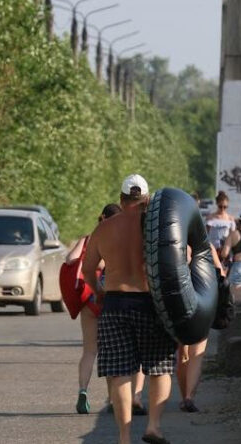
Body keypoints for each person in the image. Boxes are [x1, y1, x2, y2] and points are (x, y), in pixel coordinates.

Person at [82, 174, 176, 444]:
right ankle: (154, 427)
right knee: (159, 368)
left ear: (121, 199)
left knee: (120, 372)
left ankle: (124, 438)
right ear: (146, 199)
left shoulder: (103, 229)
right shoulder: (156, 227)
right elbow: (181, 261)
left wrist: (99, 292)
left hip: (114, 302)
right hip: (151, 303)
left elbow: (88, 269)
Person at [65, 204, 147, 415]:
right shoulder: (117, 237)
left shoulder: (89, 238)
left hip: (89, 301)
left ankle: (83, 390)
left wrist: (83, 243)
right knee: (115, 351)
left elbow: (70, 260)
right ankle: (113, 399)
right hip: (109, 298)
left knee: (90, 351)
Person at [176, 243, 224, 413]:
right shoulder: (206, 245)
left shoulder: (174, 243)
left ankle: (184, 397)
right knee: (197, 355)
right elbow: (220, 273)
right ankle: (189, 397)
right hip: (203, 303)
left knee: (183, 354)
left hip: (180, 304)